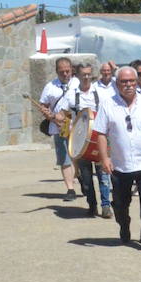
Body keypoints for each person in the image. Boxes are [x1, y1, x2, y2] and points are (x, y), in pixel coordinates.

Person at [95, 66, 141, 254]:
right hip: (120, 165)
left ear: (136, 82)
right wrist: (105, 158)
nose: (128, 85)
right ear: (117, 83)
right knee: (120, 203)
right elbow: (101, 134)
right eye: (123, 82)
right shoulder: (107, 104)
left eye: (131, 81)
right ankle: (124, 225)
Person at [58, 63, 113, 218]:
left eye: (89, 74)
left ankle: (105, 206)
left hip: (99, 139)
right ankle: (92, 204)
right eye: (84, 74)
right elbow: (62, 114)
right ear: (78, 76)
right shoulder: (71, 95)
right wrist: (57, 118)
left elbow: (109, 112)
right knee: (87, 179)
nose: (87, 77)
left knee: (103, 176)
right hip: (80, 143)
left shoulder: (100, 93)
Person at [37, 56, 78, 201]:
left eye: (67, 71)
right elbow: (44, 106)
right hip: (60, 126)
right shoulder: (50, 87)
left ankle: (81, 180)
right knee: (65, 158)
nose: (65, 74)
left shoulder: (78, 83)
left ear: (72, 69)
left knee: (78, 156)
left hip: (78, 125)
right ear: (56, 72)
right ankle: (70, 189)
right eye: (62, 72)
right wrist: (50, 116)